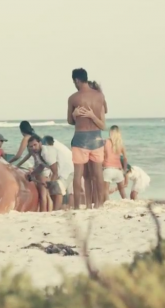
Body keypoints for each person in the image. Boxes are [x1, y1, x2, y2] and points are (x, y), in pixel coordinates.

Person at [67, 68, 107, 210]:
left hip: (80, 139)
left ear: (77, 80)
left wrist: (74, 114)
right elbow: (103, 123)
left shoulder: (73, 98)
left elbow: (70, 121)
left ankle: (77, 207)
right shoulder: (100, 96)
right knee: (98, 174)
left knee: (78, 175)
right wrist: (93, 116)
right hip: (96, 138)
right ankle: (99, 204)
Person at [28, 135, 74, 211]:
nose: (33, 148)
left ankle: (56, 211)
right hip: (60, 170)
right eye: (31, 146)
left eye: (35, 145)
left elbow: (55, 172)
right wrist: (32, 174)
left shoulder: (46, 153)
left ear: (40, 143)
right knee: (53, 190)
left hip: (67, 169)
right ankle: (56, 210)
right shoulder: (38, 152)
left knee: (57, 188)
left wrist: (49, 183)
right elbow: (41, 166)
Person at [102, 125, 128, 201]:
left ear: (110, 132)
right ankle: (127, 202)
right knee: (122, 191)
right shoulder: (121, 144)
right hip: (118, 170)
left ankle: (107, 203)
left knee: (105, 191)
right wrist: (125, 171)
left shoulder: (105, 141)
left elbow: (101, 155)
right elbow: (125, 159)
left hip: (108, 169)